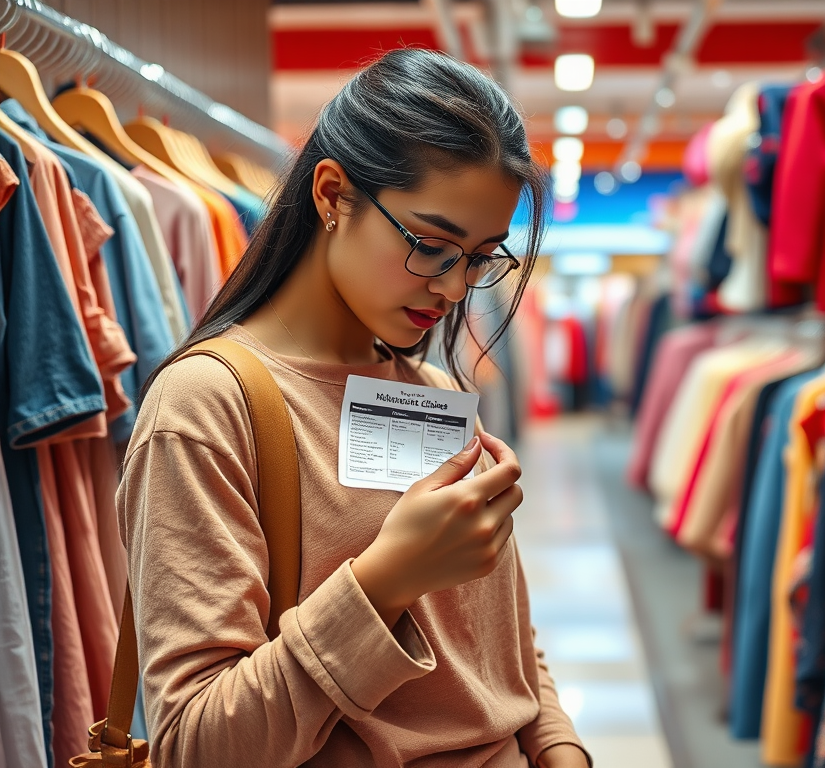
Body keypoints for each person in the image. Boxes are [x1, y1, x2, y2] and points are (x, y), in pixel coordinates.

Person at [117, 48, 591, 767]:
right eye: (432, 246)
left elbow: (501, 649)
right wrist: (384, 581)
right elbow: (198, 745)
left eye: (481, 256)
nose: (457, 288)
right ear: (333, 195)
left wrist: (561, 748)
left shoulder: (431, 393)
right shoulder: (206, 408)